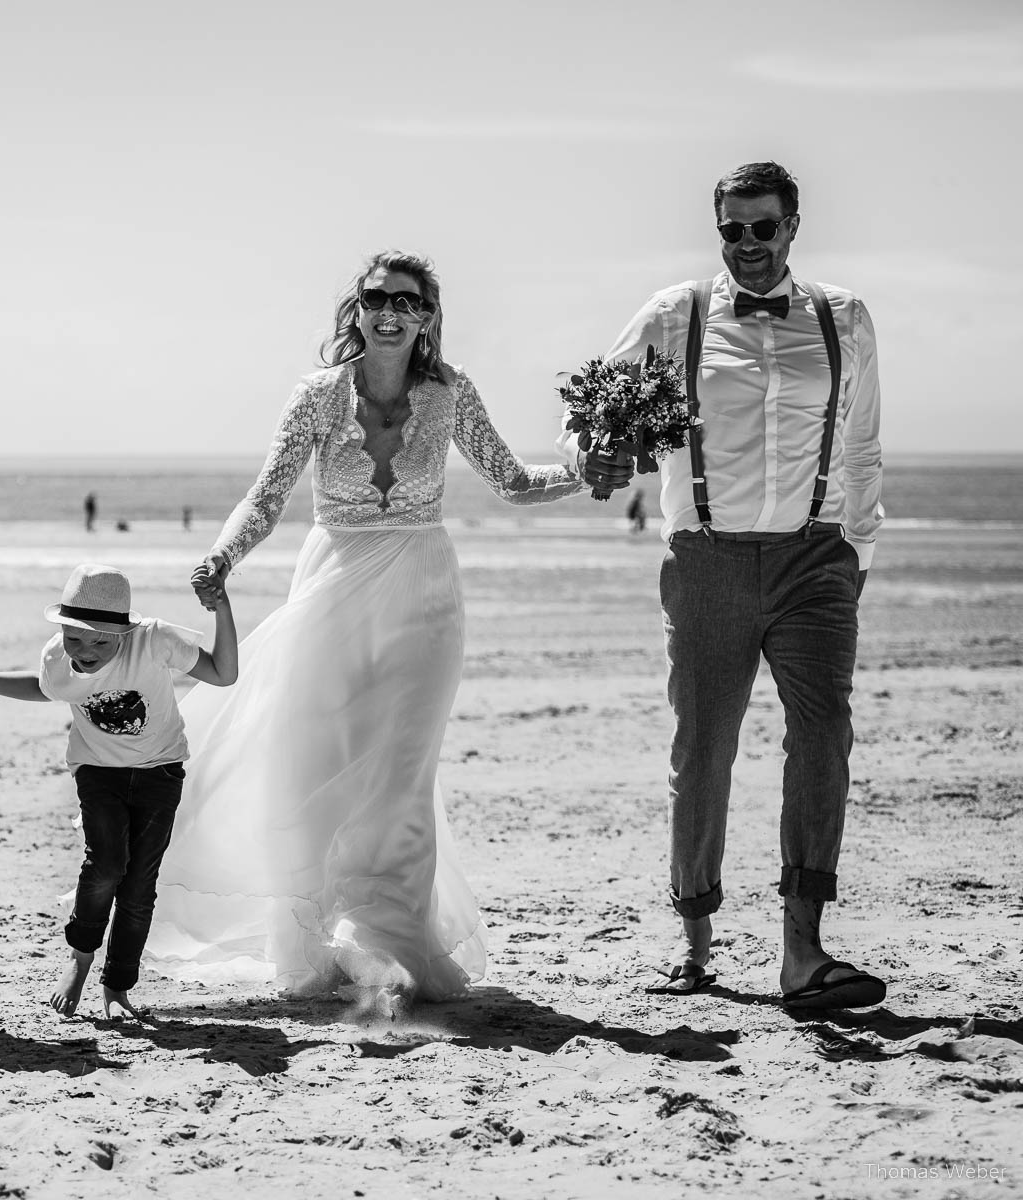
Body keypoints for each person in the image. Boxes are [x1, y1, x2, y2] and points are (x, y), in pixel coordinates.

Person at [154, 250, 589, 1007]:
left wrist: (589, 472)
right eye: (377, 297)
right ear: (355, 309)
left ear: (427, 319)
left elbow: (513, 483)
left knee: (401, 776)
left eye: (408, 301)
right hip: (332, 587)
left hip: (424, 596)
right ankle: (312, 943)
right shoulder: (318, 397)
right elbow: (265, 497)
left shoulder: (452, 396)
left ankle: (393, 945)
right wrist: (222, 555)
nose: (391, 310)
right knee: (313, 762)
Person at [581, 162, 886, 1010]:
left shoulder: (845, 317)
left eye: (763, 227)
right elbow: (592, 422)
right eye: (732, 230)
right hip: (707, 558)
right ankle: (697, 937)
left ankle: (803, 951)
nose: (747, 245)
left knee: (824, 738)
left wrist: (854, 551)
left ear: (793, 225)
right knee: (703, 750)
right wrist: (596, 456)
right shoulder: (675, 314)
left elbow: (861, 447)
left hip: (814, 561)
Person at [0, 563, 237, 1019]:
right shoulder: (57, 657)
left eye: (100, 640)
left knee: (139, 887)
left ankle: (117, 988)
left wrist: (222, 608)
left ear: (124, 631)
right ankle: (79, 959)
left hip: (160, 773)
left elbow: (223, 673)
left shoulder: (154, 640)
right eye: (76, 637)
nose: (86, 650)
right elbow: (45, 689)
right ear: (62, 628)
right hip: (97, 772)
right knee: (105, 866)